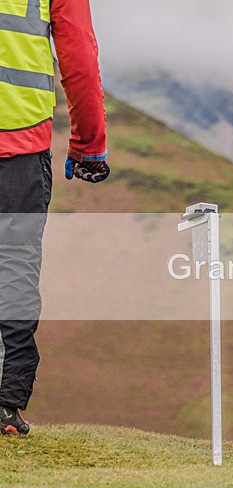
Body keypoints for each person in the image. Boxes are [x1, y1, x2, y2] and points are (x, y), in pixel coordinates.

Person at [1, 0, 109, 436]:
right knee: (13, 269)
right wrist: (88, 145)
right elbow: (78, 53)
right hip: (19, 148)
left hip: (21, 144)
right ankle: (5, 403)